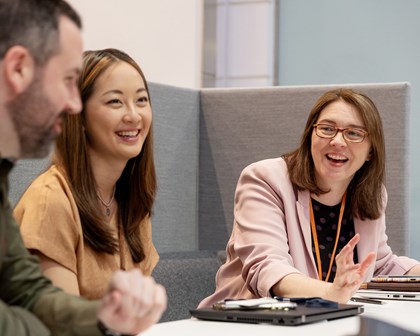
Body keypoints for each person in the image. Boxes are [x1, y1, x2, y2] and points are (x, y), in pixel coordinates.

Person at [0, 0, 166, 335]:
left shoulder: (131, 199)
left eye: (141, 99)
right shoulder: (50, 199)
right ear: (18, 68)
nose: (72, 104)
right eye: (66, 80)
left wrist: (106, 318)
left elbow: (28, 291)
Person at [199, 88, 420, 308]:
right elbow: (268, 270)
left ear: (371, 150)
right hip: (247, 321)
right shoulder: (265, 179)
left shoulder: (371, 194)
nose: (338, 141)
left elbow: (380, 264)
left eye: (354, 133)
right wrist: (332, 293)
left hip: (326, 322)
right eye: (327, 129)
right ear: (310, 135)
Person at [14, 48, 159, 300]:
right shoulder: (51, 202)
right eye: (115, 101)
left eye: (141, 100)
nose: (134, 115)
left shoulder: (132, 204)